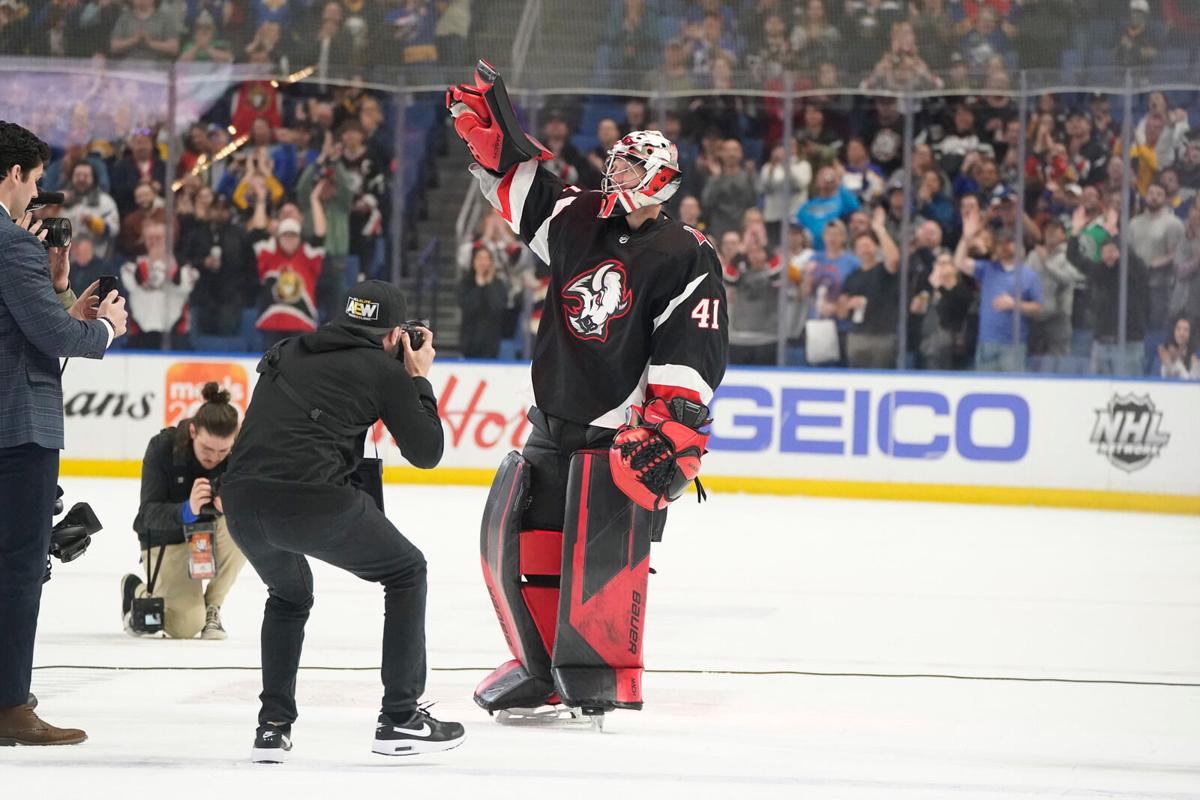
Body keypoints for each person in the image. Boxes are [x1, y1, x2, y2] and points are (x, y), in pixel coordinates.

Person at [448, 66, 728, 721]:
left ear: (661, 177)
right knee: (519, 543)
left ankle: (599, 673)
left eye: (630, 168)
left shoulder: (686, 253)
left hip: (615, 434)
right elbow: (525, 192)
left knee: (598, 563)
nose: (615, 176)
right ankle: (540, 666)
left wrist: (675, 421)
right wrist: (498, 147)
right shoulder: (578, 219)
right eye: (615, 165)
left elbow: (693, 344)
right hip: (552, 419)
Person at [220, 280, 458, 762]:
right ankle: (400, 717)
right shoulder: (383, 371)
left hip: (241, 502)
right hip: (312, 502)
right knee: (407, 571)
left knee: (289, 595)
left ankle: (272, 729)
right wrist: (418, 379)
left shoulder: (286, 350)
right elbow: (427, 452)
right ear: (395, 336)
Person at [0, 120, 128, 746]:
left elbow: (23, 324)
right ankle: (9, 707)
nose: (34, 198)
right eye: (35, 182)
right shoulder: (12, 242)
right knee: (21, 569)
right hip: (16, 428)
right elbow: (50, 340)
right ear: (16, 174)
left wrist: (57, 299)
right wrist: (100, 328)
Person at [122, 383, 246, 640]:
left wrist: (233, 506)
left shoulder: (241, 454)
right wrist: (187, 510)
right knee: (184, 627)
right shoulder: (162, 447)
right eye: (207, 449)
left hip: (214, 530)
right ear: (193, 431)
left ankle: (212, 608)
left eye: (223, 451)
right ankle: (136, 590)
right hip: (168, 536)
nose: (214, 458)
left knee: (244, 526)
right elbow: (147, 515)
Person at [954, 206, 1044, 372]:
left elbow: (1038, 307)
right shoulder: (987, 269)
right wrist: (966, 239)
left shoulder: (1029, 275)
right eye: (1000, 243)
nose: (1003, 247)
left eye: (1008, 243)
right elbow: (959, 263)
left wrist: (1014, 304)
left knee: (1012, 390)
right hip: (986, 343)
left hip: (1013, 346)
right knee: (985, 393)